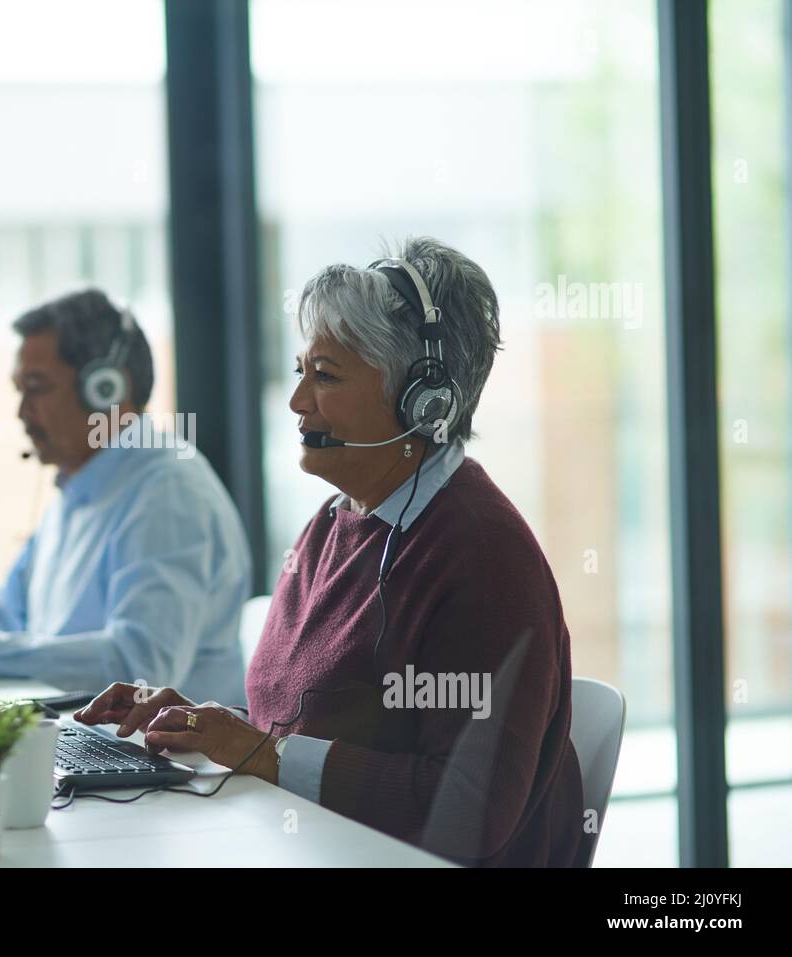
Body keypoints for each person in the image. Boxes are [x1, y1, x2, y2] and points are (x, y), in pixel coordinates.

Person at [75, 238, 590, 866]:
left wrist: (263, 754)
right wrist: (205, 724)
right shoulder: (337, 521)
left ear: (421, 401)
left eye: (326, 375)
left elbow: (469, 808)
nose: (297, 402)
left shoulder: (479, 558)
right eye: (301, 372)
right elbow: (325, 727)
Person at [0, 288, 250, 704]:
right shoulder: (82, 483)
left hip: (173, 763)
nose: (22, 412)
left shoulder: (168, 494)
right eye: (19, 390)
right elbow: (10, 608)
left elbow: (138, 666)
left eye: (37, 388)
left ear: (106, 390)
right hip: (94, 747)